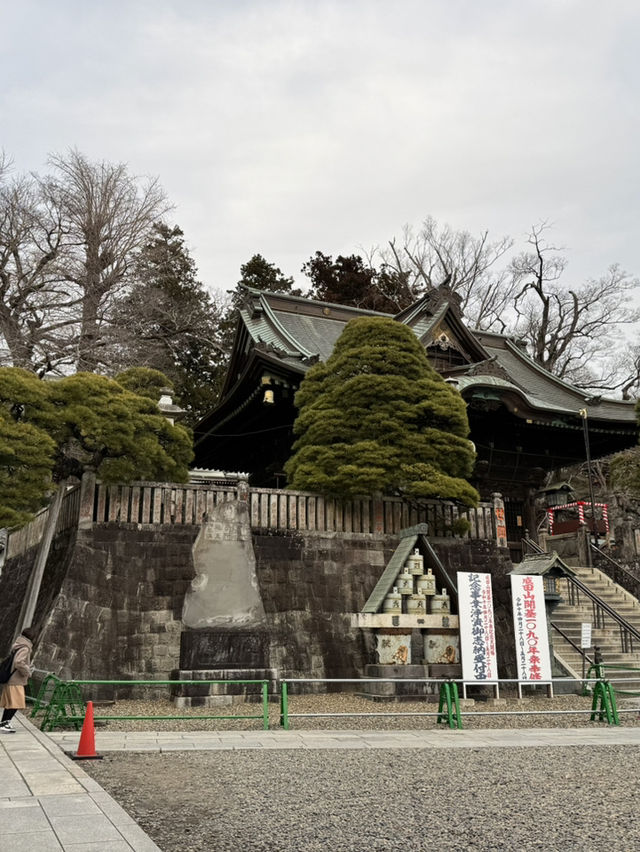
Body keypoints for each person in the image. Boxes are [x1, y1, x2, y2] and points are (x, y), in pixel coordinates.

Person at [0, 627, 36, 733]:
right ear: (32, 638)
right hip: (16, 679)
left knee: (11, 703)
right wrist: (27, 671)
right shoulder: (25, 648)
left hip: (11, 679)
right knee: (16, 703)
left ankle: (4, 723)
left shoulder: (18, 645)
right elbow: (19, 662)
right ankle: (5, 723)